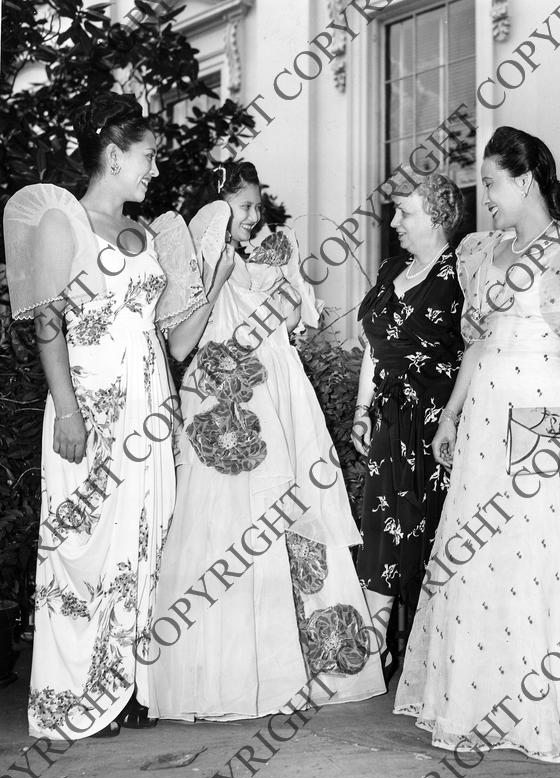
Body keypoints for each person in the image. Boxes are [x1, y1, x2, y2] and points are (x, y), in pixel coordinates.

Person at [394, 126, 560, 762]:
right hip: (485, 422)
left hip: (544, 412)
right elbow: (473, 345)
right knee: (482, 553)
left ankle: (555, 708)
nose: (486, 196)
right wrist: (449, 415)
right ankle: (480, 701)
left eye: (492, 184)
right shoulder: (480, 251)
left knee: (546, 551)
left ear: (525, 180)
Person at [148, 162, 385, 721]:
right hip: (222, 397)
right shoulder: (196, 256)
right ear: (218, 207)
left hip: (278, 392)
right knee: (222, 524)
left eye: (258, 206)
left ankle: (292, 667)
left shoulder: (279, 247)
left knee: (291, 519)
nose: (255, 216)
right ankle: (224, 673)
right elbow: (180, 344)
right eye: (244, 207)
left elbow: (300, 322)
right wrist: (218, 276)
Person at [2, 93, 191, 738]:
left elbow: (163, 332)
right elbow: (49, 323)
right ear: (114, 156)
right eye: (148, 157)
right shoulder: (66, 223)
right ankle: (76, 692)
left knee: (145, 541)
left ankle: (126, 686)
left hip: (149, 404)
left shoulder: (143, 233)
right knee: (84, 543)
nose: (155, 171)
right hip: (93, 402)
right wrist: (68, 411)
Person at [353, 170, 465, 676]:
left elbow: (475, 354)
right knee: (380, 532)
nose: (395, 222)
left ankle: (432, 665)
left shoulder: (462, 272)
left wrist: (457, 419)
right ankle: (372, 653)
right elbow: (374, 353)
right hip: (388, 422)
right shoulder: (391, 268)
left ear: (439, 217)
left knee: (427, 534)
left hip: (436, 426)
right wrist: (361, 410)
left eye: (406, 213)